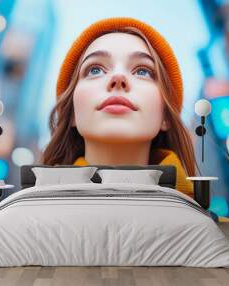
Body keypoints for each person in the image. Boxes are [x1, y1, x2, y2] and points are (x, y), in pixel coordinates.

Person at [41, 17, 197, 198]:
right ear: (72, 113)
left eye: (142, 71)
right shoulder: (19, 222)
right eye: (95, 69)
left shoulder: (214, 227)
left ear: (166, 116)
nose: (118, 77)